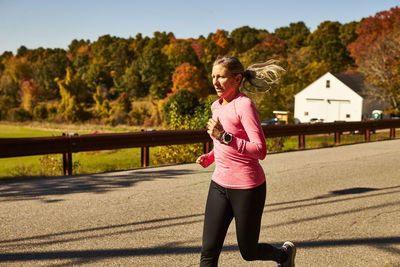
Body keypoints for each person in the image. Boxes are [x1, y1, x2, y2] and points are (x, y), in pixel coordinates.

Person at [196, 55, 296, 267]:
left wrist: (224, 137)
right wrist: (211, 156)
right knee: (208, 251)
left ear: (236, 79)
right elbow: (223, 142)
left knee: (249, 251)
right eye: (213, 76)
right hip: (219, 185)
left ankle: (284, 256)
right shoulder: (216, 106)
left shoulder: (245, 106)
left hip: (247, 187)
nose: (215, 82)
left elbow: (260, 150)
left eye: (221, 77)